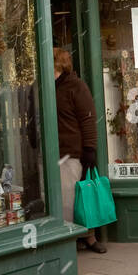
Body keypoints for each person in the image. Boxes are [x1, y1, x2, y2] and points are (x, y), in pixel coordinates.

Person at [53, 47, 105, 253]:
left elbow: (88, 119)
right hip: (50, 153)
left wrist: (89, 148)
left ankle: (85, 236)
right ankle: (69, 238)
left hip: (70, 152)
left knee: (72, 199)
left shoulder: (75, 86)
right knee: (59, 200)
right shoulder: (42, 87)